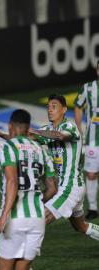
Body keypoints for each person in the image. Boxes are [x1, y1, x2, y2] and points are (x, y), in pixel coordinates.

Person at [0, 94, 99, 241]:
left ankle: (22, 260)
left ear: (64, 109)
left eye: (54, 107)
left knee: (37, 220)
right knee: (81, 226)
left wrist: (35, 131)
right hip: (68, 186)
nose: (50, 110)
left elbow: (59, 136)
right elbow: (24, 139)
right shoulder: (47, 129)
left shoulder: (70, 127)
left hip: (70, 187)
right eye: (48, 107)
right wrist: (1, 135)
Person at [0, 109, 57, 270]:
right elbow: (52, 188)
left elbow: (12, 181)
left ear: (10, 126)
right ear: (29, 127)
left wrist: (4, 215)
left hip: (14, 219)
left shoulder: (7, 147)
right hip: (37, 219)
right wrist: (36, 201)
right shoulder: (41, 150)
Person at [74, 60, 99, 220]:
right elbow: (78, 105)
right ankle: (93, 207)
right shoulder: (88, 88)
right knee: (91, 174)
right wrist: (79, 128)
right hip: (92, 140)